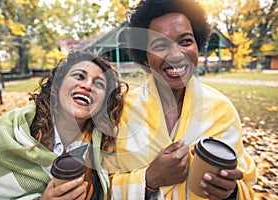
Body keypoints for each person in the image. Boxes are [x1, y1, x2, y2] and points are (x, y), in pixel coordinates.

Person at [110, 0, 257, 199]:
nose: (176, 54)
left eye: (185, 41)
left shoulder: (223, 111)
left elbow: (246, 186)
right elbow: (101, 184)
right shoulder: (120, 110)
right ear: (144, 57)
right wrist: (149, 180)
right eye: (160, 45)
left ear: (198, 45)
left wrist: (231, 192)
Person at [0, 51, 128, 200]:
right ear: (57, 85)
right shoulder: (0, 137)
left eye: (99, 84)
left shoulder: (104, 148)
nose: (88, 86)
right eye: (79, 76)